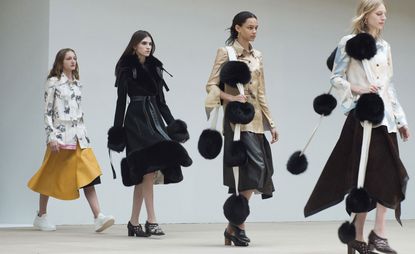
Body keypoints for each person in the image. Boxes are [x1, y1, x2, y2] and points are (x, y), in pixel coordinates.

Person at [304, 1, 410, 253]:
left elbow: (388, 85)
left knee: (391, 175)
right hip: (362, 119)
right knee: (363, 178)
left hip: (385, 120)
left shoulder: (385, 47)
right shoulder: (347, 43)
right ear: (366, 15)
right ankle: (360, 236)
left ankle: (377, 233)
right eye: (379, 13)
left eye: (386, 14)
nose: (384, 18)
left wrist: (401, 120)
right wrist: (357, 88)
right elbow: (336, 77)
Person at [205, 11, 279, 246]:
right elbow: (210, 86)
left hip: (256, 121)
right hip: (237, 121)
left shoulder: (258, 55)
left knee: (260, 171)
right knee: (252, 169)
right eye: (250, 27)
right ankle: (239, 226)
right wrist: (231, 98)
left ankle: (232, 227)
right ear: (237, 28)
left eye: (257, 27)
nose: (254, 32)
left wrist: (272, 124)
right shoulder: (226, 53)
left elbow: (261, 92)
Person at [110, 30, 192, 237]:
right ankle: (152, 220)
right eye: (144, 43)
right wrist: (117, 130)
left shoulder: (156, 67)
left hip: (154, 118)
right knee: (146, 170)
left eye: (150, 44)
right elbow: (121, 102)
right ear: (134, 45)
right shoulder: (126, 68)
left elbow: (162, 102)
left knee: (145, 171)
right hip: (136, 120)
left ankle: (134, 222)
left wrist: (173, 125)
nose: (148, 47)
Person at [28, 48, 115, 232]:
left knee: (89, 175)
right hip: (60, 139)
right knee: (48, 175)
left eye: (75, 58)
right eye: (69, 58)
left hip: (79, 138)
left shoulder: (76, 84)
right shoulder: (53, 83)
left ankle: (98, 216)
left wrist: (84, 134)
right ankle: (41, 216)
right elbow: (47, 111)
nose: (73, 61)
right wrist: (51, 136)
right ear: (61, 62)